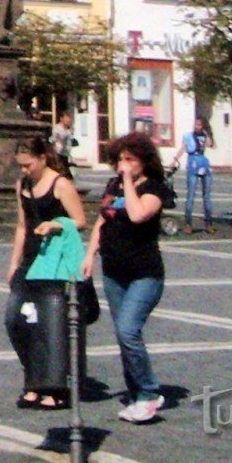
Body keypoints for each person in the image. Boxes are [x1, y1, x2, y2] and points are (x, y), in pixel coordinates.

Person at [85, 132, 171, 424]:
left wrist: (128, 185)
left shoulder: (154, 189)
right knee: (123, 336)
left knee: (128, 329)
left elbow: (136, 215)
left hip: (144, 273)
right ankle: (136, 393)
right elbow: (102, 220)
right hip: (114, 271)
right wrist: (90, 255)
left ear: (143, 162)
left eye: (130, 159)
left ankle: (149, 393)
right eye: (120, 159)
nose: (123, 164)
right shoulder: (114, 186)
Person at [4, 135, 86, 412]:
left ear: (42, 158)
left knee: (50, 326)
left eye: (28, 165)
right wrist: (14, 262)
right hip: (29, 260)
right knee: (16, 321)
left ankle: (54, 388)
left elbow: (81, 221)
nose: (24, 170)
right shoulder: (22, 185)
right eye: (20, 166)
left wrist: (55, 225)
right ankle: (33, 379)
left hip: (53, 263)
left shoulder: (60, 184)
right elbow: (21, 225)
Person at [171, 117, 214, 233]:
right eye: (196, 124)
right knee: (191, 195)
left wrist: (207, 134)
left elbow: (210, 145)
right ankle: (188, 223)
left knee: (207, 196)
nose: (197, 127)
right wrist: (175, 159)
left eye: (199, 125)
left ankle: (209, 223)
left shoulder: (204, 136)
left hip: (203, 163)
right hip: (193, 163)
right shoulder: (188, 136)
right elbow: (183, 148)